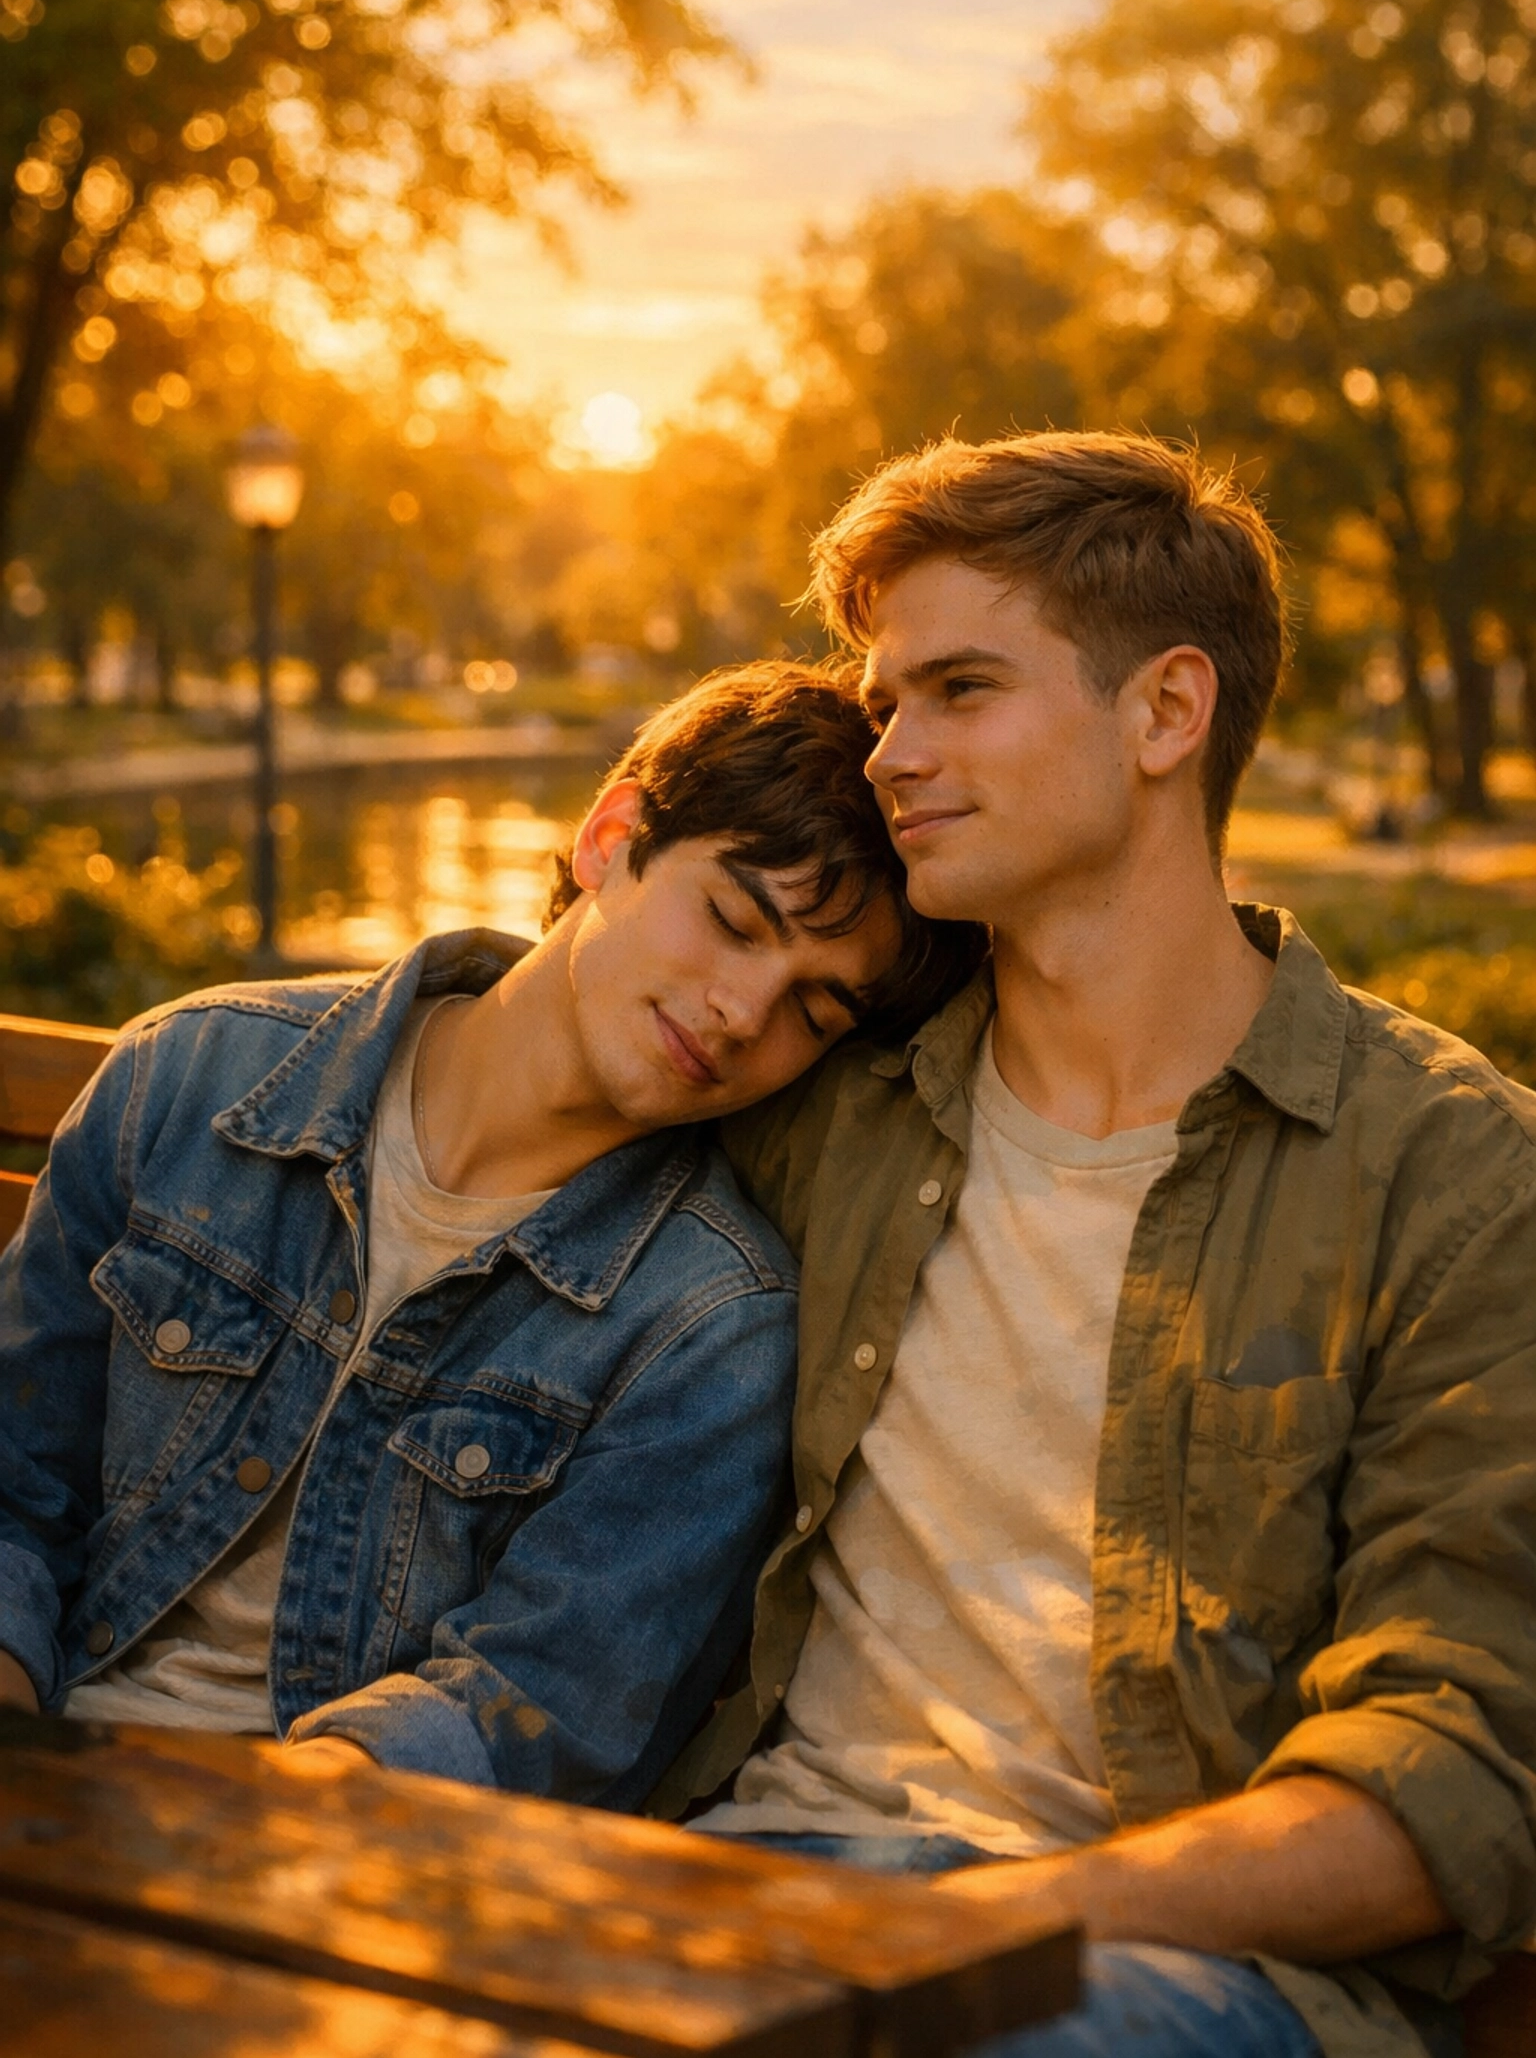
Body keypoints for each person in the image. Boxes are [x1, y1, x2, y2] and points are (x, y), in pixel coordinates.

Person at [659, 436, 1536, 2058]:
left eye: (960, 690)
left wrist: (995, 1925)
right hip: (763, 1877)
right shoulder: (829, 1102)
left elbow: (1459, 1757)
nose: (890, 756)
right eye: (884, 704)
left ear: (1165, 711)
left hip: (1162, 1964)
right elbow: (526, 1067)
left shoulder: (1452, 1171)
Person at [0, 661, 980, 1802]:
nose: (743, 1011)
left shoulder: (710, 1328)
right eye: (731, 921)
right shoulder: (195, 1078)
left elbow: (535, 1706)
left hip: (339, 1848)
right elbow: (16, 1493)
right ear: (611, 839)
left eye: (814, 1010)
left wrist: (246, 1833)